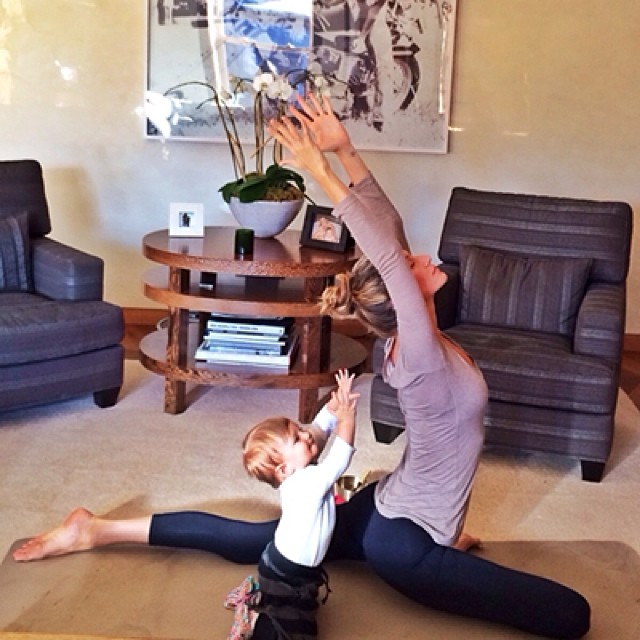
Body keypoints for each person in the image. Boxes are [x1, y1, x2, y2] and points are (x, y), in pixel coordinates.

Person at [12, 95, 591, 640]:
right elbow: (388, 255)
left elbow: (386, 231)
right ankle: (439, 552)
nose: (423, 257)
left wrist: (344, 150)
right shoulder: (419, 354)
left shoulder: (411, 340)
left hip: (389, 508)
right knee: (574, 615)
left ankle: (96, 529)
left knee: (269, 538)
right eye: (412, 266)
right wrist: (318, 171)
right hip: (404, 545)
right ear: (403, 297)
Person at [227, 368, 359, 639]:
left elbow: (319, 431)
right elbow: (340, 459)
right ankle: (252, 621)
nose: (306, 435)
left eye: (299, 430)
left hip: (285, 567)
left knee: (295, 610)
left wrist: (333, 408)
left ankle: (256, 593)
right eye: (297, 439)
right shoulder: (305, 483)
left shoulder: (301, 469)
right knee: (296, 634)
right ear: (284, 469)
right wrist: (346, 417)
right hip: (287, 575)